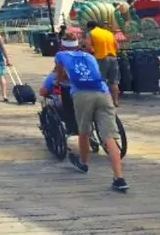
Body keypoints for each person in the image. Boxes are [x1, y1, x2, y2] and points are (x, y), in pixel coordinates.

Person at [48, 35, 128, 192]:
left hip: (82, 94)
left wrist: (58, 82)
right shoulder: (89, 56)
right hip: (103, 94)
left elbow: (60, 75)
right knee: (110, 137)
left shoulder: (61, 55)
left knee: (83, 131)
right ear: (78, 45)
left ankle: (84, 163)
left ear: (63, 46)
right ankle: (119, 178)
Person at [87, 20, 120, 107]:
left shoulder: (91, 33)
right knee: (114, 82)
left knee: (101, 81)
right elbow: (117, 47)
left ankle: (103, 102)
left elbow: (89, 47)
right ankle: (115, 101)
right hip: (113, 58)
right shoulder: (109, 33)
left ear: (90, 28)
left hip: (101, 58)